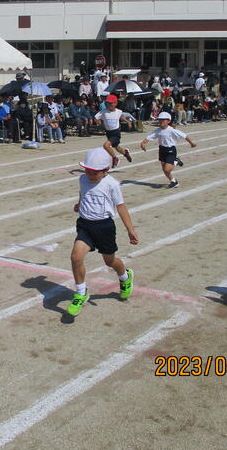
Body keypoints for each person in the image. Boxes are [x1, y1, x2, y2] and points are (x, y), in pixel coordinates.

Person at [66, 147, 139, 317]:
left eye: (95, 173)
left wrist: (130, 230)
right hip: (85, 224)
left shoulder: (112, 184)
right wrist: (79, 204)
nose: (90, 175)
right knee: (76, 257)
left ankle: (125, 276)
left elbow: (121, 206)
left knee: (109, 261)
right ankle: (81, 293)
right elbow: (83, 192)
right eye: (88, 171)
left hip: (104, 227)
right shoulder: (83, 179)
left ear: (106, 170)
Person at [140, 111, 197, 189]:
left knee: (167, 169)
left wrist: (191, 143)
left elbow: (184, 136)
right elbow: (150, 137)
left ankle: (176, 161)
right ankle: (174, 181)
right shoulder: (158, 130)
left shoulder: (172, 130)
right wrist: (143, 143)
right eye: (160, 120)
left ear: (168, 121)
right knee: (164, 169)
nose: (161, 121)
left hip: (170, 150)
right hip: (162, 150)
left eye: (163, 120)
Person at [95, 94, 134, 168]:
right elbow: (96, 117)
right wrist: (99, 122)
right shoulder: (104, 111)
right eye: (108, 103)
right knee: (116, 147)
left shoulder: (118, 111)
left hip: (116, 132)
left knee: (106, 146)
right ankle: (125, 153)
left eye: (111, 103)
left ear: (116, 103)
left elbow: (121, 117)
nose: (109, 105)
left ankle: (115, 158)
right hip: (108, 132)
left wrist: (128, 122)